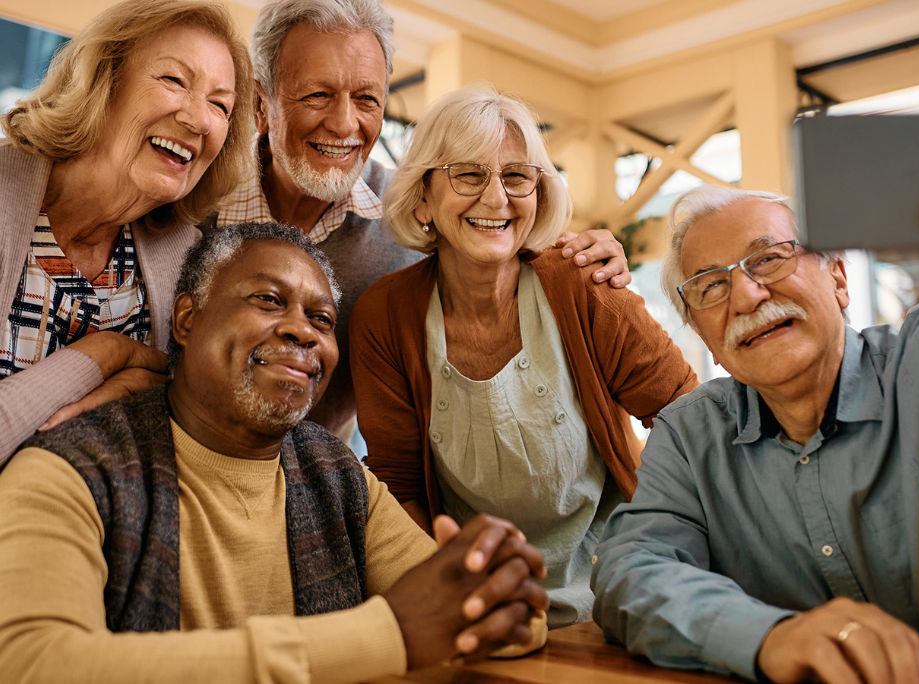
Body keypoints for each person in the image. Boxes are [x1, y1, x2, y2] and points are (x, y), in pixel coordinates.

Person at [591, 73, 919, 684]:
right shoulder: (691, 434)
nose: (745, 293)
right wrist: (767, 635)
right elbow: (630, 571)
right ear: (702, 330)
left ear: (840, 279)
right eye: (711, 285)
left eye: (769, 258)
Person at [0, 223, 548, 683]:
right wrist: (388, 636)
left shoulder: (338, 475)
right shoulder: (69, 470)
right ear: (187, 320)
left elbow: (475, 617)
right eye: (268, 300)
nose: (302, 332)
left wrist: (502, 588)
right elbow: (33, 663)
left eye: (323, 320)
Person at [350, 85, 699, 628]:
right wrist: (456, 596)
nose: (497, 199)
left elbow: (689, 420)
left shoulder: (584, 283)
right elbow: (400, 486)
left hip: (619, 596)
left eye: (516, 176)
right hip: (480, 606)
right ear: (422, 196)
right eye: (468, 174)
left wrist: (651, 547)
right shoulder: (384, 315)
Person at [205, 0, 631, 439]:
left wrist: (587, 256)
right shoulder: (194, 198)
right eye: (318, 94)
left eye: (367, 99)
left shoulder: (419, 207)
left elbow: (503, 233)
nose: (344, 123)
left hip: (322, 478)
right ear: (260, 103)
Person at [0, 0, 254, 465]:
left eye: (220, 105)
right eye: (174, 80)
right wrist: (105, 354)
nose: (198, 120)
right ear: (104, 81)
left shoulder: (189, 258)